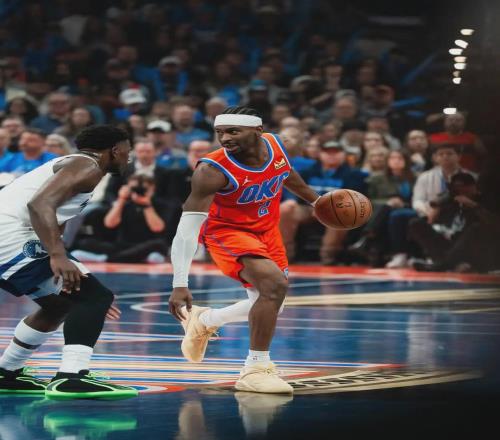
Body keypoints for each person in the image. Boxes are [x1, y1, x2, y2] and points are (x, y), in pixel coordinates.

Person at [168, 106, 320, 394]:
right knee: (273, 286)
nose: (225, 138)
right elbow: (186, 229)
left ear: (258, 131)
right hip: (227, 233)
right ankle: (255, 370)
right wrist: (180, 283)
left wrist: (317, 201)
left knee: (274, 302)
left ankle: (204, 321)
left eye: (233, 131)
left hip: (267, 230)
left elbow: (284, 173)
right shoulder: (211, 171)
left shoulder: (277, 146)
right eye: (220, 132)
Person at [0, 125, 137, 399]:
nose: (128, 157)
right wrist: (58, 256)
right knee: (95, 297)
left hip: (12, 235)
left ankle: (6, 372)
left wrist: (75, 272)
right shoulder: (87, 166)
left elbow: (54, 218)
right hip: (10, 235)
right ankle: (72, 377)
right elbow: (40, 205)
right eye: (127, 151)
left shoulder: (77, 166)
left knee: (62, 304)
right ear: (114, 150)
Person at [73, 174, 169, 263]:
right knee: (86, 243)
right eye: (134, 189)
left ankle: (107, 259)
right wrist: (121, 199)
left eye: (143, 189)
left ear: (152, 189)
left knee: (159, 245)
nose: (138, 191)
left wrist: (147, 205)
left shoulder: (160, 204)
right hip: (122, 245)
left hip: (146, 245)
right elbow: (109, 224)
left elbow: (157, 228)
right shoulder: (124, 204)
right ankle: (134, 258)